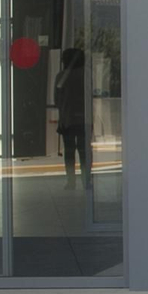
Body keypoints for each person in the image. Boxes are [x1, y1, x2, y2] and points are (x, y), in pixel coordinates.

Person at [55, 47, 91, 190]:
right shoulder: (86, 75)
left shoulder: (61, 76)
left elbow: (57, 100)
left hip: (68, 119)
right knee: (84, 152)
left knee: (69, 152)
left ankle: (71, 181)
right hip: (85, 119)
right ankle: (86, 181)